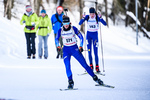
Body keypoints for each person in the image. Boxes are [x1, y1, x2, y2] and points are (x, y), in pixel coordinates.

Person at [55, 15, 103, 89]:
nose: (66, 25)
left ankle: (96, 78)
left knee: (84, 65)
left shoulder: (73, 29)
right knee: (67, 66)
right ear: (62, 24)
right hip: (66, 50)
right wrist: (58, 46)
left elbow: (81, 37)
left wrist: (80, 46)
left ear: (69, 23)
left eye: (67, 23)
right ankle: (70, 82)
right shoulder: (60, 30)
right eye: (64, 23)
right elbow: (56, 39)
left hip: (75, 49)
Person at [79, 7, 107, 72]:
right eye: (91, 14)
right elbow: (80, 23)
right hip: (88, 35)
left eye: (93, 14)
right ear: (89, 13)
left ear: (95, 13)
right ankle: (91, 66)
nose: (92, 15)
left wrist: (101, 18)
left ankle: (97, 66)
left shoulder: (97, 17)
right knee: (89, 51)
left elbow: (105, 24)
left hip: (95, 36)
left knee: (95, 52)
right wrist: (83, 18)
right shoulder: (87, 17)